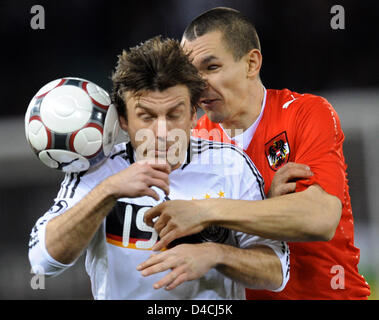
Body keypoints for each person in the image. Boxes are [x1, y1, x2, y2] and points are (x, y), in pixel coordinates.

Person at [28, 36, 289, 299]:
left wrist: (216, 254)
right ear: (123, 120)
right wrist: (108, 191)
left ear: (193, 115)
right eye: (147, 117)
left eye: (174, 114)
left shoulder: (231, 165)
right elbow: (42, 261)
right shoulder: (99, 171)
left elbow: (277, 271)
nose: (162, 132)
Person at [144, 8, 371, 299]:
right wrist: (268, 206)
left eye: (211, 67)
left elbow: (320, 218)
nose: (199, 84)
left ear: (252, 63)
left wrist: (206, 210)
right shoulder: (193, 140)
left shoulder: (306, 114)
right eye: (190, 73)